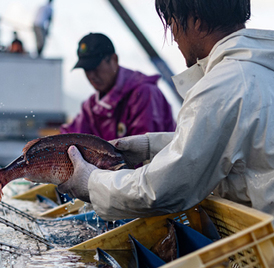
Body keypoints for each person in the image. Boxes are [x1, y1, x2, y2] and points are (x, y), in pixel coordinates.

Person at [57, 0, 274, 220]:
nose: (175, 40)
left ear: (196, 21)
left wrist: (91, 182)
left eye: (172, 26)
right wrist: (150, 146)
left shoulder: (221, 87)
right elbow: (225, 143)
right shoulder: (257, 68)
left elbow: (160, 190)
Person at [61, 33, 176, 141]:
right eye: (86, 70)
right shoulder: (91, 106)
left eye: (95, 67)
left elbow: (145, 153)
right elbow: (68, 137)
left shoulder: (144, 94)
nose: (91, 75)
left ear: (114, 59)